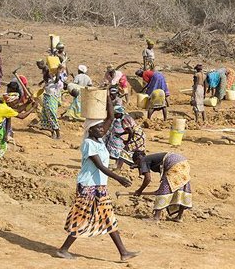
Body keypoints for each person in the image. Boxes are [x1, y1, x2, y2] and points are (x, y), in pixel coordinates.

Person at [57, 95, 139, 261]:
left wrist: (107, 95)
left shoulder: (99, 140)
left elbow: (109, 116)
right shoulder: (88, 143)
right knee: (82, 217)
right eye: (99, 128)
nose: (102, 129)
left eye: (103, 128)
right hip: (88, 186)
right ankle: (63, 249)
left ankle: (123, 253)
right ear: (90, 130)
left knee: (108, 217)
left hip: (99, 186)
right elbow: (100, 166)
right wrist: (119, 178)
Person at [132, 151, 192, 222]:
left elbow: (147, 179)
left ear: (138, 159)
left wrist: (140, 190)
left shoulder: (143, 160)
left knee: (163, 191)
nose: (140, 166)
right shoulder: (149, 159)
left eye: (137, 163)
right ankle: (179, 217)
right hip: (184, 163)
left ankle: (156, 218)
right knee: (181, 188)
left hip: (174, 165)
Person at [106, 106, 144, 171]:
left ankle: (118, 168)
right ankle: (142, 167)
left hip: (137, 135)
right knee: (138, 151)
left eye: (115, 114)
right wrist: (120, 134)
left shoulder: (124, 120)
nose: (114, 116)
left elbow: (131, 132)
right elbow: (128, 130)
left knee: (124, 151)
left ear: (119, 114)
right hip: (140, 134)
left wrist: (128, 141)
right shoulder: (126, 116)